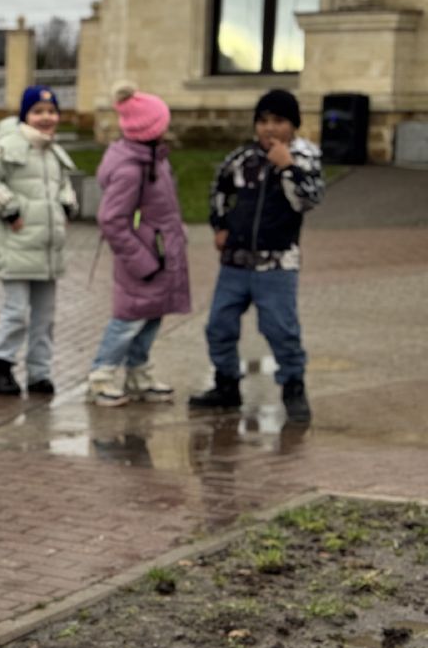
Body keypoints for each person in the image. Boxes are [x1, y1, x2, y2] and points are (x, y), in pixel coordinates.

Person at [188, 89, 324, 423]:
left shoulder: (304, 157)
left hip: (276, 263)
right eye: (263, 121)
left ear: (292, 125)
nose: (269, 129)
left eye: (278, 121)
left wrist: (287, 167)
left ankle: (293, 386)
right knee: (219, 324)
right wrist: (220, 225)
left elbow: (308, 200)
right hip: (235, 261)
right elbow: (219, 189)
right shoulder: (242, 158)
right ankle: (226, 383)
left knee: (280, 328)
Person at [0, 85, 79, 396]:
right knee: (16, 312)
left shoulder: (52, 151)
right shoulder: (11, 146)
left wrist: (68, 204)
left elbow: (63, 184)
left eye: (52, 111)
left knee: (45, 317)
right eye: (38, 111)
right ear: (25, 115)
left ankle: (39, 373)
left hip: (47, 250)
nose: (46, 118)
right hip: (16, 246)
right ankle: (0, 369)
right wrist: (9, 209)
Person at [86, 83, 190, 405]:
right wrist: (142, 259)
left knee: (151, 315)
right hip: (144, 260)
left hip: (160, 255)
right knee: (128, 320)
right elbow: (112, 219)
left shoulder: (154, 160)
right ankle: (102, 375)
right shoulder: (132, 169)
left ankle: (138, 371)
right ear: (152, 128)